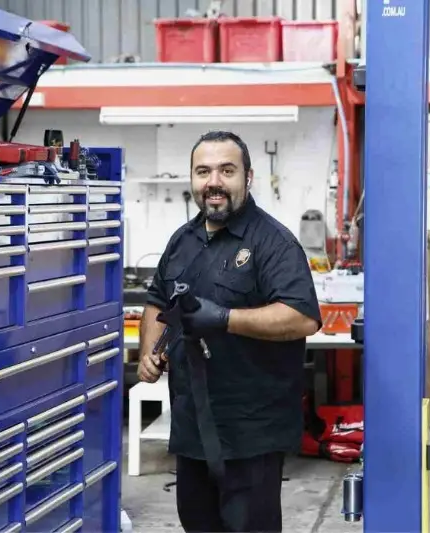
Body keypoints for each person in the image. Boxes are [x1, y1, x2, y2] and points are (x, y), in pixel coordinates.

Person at [137, 130, 322, 532]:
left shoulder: (273, 242)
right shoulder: (182, 241)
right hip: (192, 426)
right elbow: (156, 299)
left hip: (250, 431)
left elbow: (302, 316)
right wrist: (149, 351)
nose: (214, 182)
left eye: (226, 170)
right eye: (203, 171)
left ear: (247, 178)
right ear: (192, 179)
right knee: (197, 523)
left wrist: (225, 318)